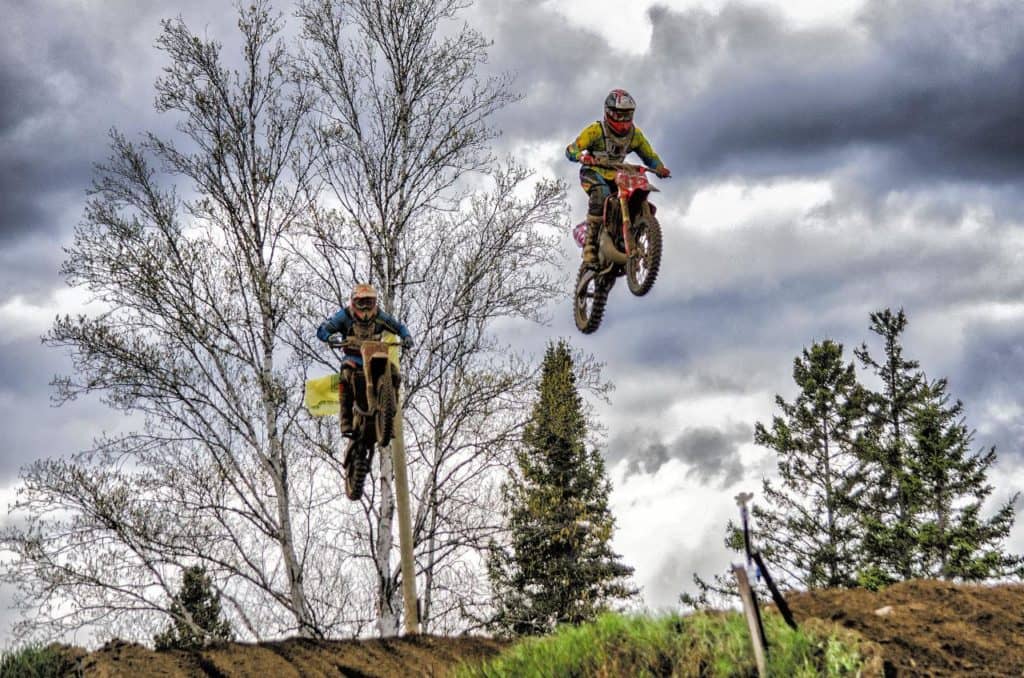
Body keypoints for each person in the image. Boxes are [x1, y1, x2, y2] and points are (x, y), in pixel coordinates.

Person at [565, 89, 671, 266]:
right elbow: (571, 149)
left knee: (632, 191)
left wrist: (659, 168)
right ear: (608, 112)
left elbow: (649, 156)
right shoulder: (595, 131)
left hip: (616, 174)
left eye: (626, 115)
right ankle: (590, 247)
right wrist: (580, 156)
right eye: (618, 115)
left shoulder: (634, 135)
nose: (622, 120)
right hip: (593, 172)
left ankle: (631, 232)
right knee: (601, 194)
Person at [316, 283, 413, 436]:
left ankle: (389, 418)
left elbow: (399, 326)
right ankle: (346, 421)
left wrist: (406, 336)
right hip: (354, 357)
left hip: (376, 356)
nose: (366, 307)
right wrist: (329, 337)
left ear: (375, 302)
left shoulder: (380, 317)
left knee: (395, 376)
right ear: (354, 302)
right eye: (362, 302)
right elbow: (323, 329)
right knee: (345, 378)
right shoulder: (344, 316)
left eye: (369, 302)